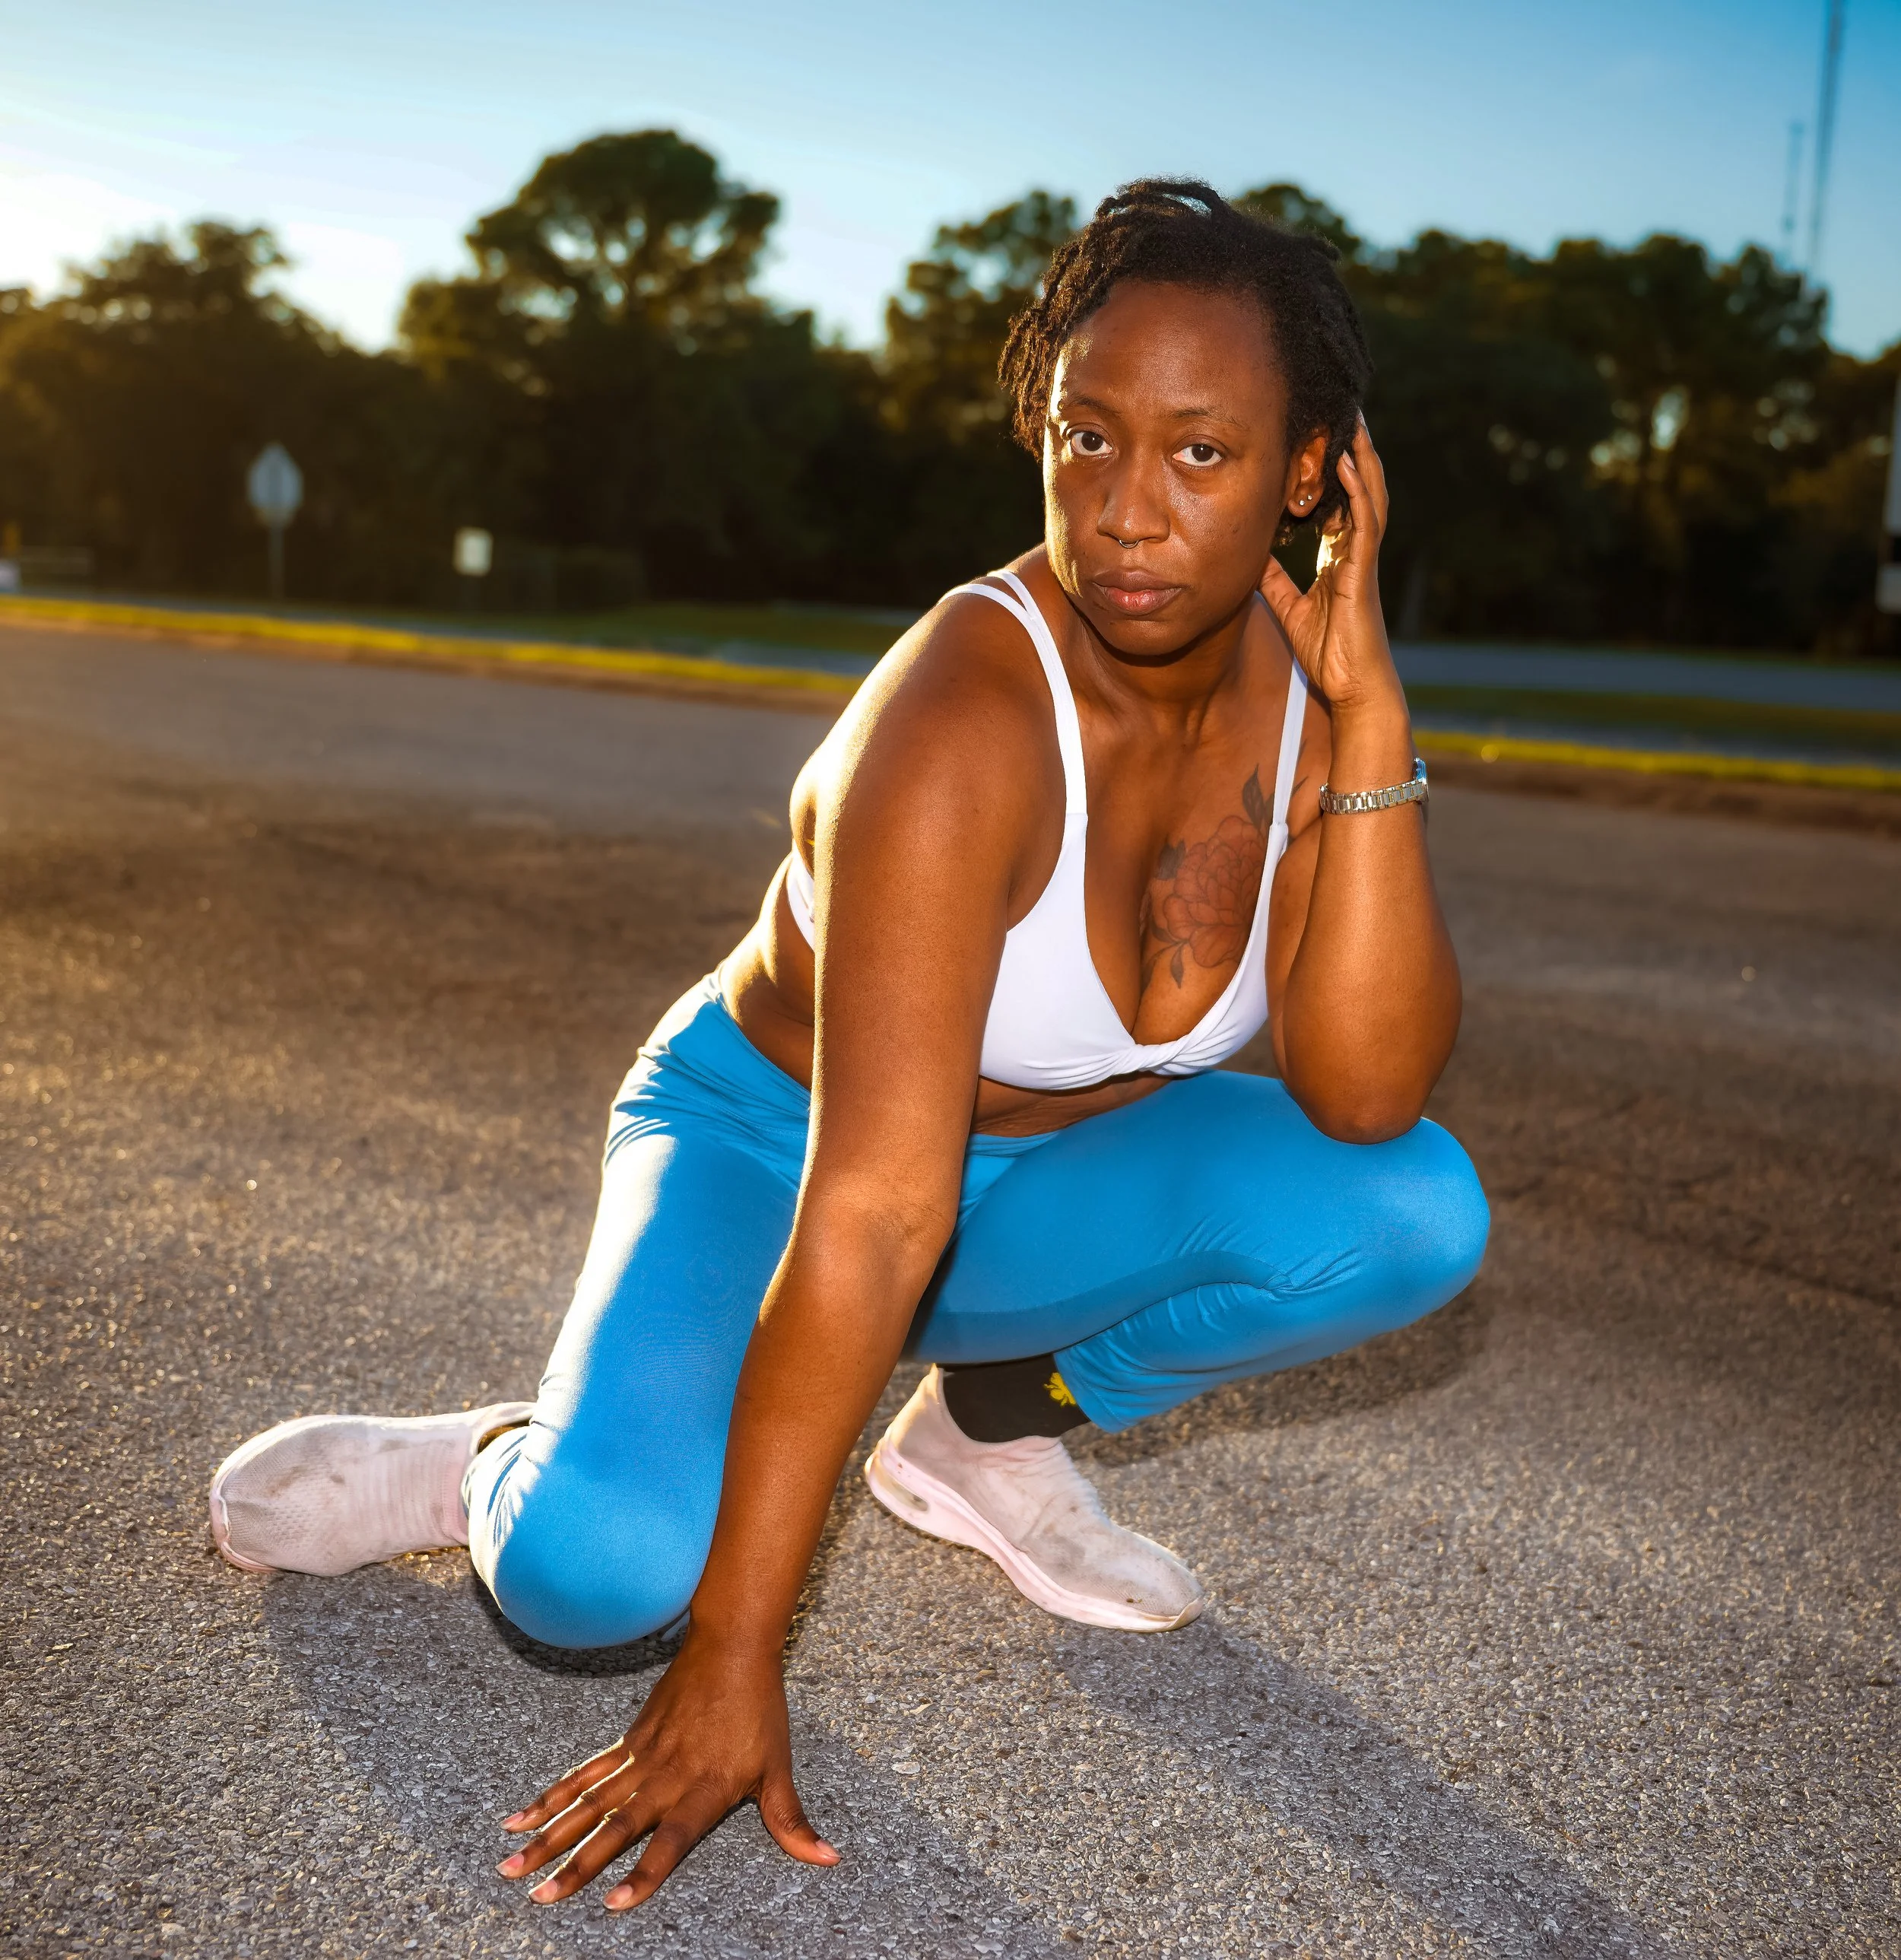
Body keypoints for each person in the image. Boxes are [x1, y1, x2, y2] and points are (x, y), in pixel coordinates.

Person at [207, 180, 1489, 1911]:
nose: (1124, 514)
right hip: (771, 1143)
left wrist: (1372, 711)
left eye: (1198, 456)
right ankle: (502, 1455)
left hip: (1032, 1197)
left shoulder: (1311, 688)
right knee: (601, 1573)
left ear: (1312, 475)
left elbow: (1361, 1090)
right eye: (1085, 436)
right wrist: (735, 1654)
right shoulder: (963, 710)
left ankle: (971, 1433)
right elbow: (874, 1207)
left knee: (1410, 1209)